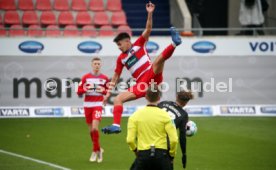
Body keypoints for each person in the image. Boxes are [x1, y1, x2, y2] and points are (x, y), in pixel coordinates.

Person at [102, 1, 182, 134]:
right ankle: (116, 125)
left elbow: (148, 29)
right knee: (118, 99)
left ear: (128, 41)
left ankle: (174, 43)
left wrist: (150, 14)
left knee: (158, 61)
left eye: (120, 45)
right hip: (142, 83)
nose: (119, 47)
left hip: (151, 74)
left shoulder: (139, 44)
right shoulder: (121, 59)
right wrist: (108, 94)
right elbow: (115, 77)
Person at [130, 90, 194, 170]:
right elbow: (182, 137)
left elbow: (151, 113)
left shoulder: (164, 103)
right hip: (163, 147)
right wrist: (184, 154)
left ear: (177, 97)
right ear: (186, 102)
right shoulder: (183, 114)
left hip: (147, 143)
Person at [126, 85, 178, 170]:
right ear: (159, 97)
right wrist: (172, 155)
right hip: (162, 155)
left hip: (143, 155)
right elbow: (174, 140)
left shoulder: (134, 116)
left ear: (146, 96)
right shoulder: (166, 116)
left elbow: (130, 140)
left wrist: (135, 151)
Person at [77, 57, 109, 163]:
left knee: (95, 128)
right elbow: (79, 91)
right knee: (91, 131)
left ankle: (95, 151)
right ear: (92, 65)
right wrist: (87, 89)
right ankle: (98, 148)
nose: (97, 65)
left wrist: (103, 91)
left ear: (101, 65)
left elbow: (107, 92)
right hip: (87, 105)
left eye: (98, 64)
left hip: (98, 105)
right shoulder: (86, 77)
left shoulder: (104, 78)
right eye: (95, 63)